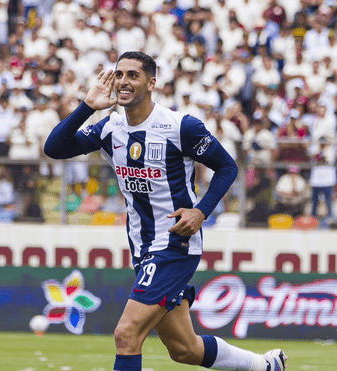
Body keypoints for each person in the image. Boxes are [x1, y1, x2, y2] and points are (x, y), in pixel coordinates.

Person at [43, 51, 288, 371]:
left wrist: (201, 211)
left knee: (126, 334)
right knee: (184, 349)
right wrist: (87, 107)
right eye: (119, 75)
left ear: (151, 83)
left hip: (175, 242)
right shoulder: (110, 128)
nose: (124, 82)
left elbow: (227, 167)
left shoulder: (179, 126)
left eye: (133, 75)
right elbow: (54, 148)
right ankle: (266, 366)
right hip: (143, 247)